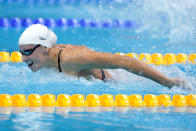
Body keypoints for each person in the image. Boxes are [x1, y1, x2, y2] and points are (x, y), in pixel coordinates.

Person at [18, 24, 189, 89]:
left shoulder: (71, 59)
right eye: (21, 52)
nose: (23, 58)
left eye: (27, 52)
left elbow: (124, 61)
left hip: (117, 83)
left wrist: (168, 82)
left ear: (46, 48)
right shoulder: (45, 58)